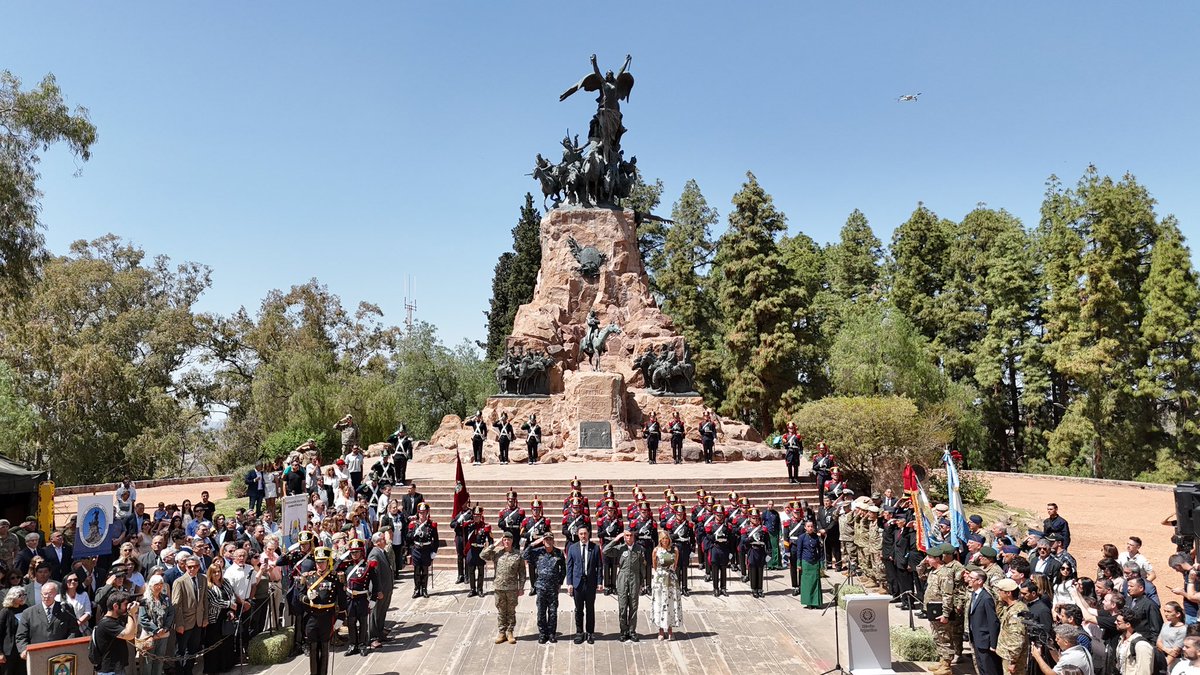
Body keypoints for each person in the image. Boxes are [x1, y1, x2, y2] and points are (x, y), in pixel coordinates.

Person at [301, 547, 344, 675]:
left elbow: (341, 599)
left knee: (325, 648)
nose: (320, 565)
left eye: (323, 562)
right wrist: (307, 598)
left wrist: (341, 618)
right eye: (318, 562)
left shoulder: (335, 578)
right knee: (313, 647)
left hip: (327, 616)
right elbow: (300, 595)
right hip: (312, 617)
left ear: (328, 562)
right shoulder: (309, 577)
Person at [480, 532, 526, 645]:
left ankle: (510, 632)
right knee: (501, 611)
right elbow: (482, 555)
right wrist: (495, 544)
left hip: (512, 588)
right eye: (504, 540)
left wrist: (521, 588)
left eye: (508, 540)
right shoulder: (497, 554)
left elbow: (522, 573)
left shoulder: (518, 555)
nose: (506, 542)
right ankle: (501, 632)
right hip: (499, 587)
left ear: (512, 541)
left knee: (511, 611)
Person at [522, 532, 566, 644]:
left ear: (553, 540)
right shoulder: (538, 552)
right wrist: (532, 544)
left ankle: (551, 634)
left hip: (553, 588)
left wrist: (560, 582)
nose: (548, 541)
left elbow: (563, 569)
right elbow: (524, 555)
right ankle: (542, 634)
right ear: (543, 541)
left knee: (552, 612)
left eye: (550, 539)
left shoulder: (558, 553)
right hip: (541, 587)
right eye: (546, 539)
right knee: (541, 612)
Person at [16, 581, 81, 656]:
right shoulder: (28, 613)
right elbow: (21, 636)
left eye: (50, 594)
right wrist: (24, 650)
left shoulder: (66, 609)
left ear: (56, 594)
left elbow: (74, 630)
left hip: (61, 654)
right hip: (36, 654)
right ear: (41, 594)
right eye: (44, 594)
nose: (46, 597)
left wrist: (66, 647)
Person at [605, 529, 645, 642]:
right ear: (624, 537)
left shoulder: (639, 549)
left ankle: (632, 631)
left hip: (635, 578)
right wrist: (616, 539)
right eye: (626, 536)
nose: (629, 538)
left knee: (633, 606)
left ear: (634, 537)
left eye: (631, 535)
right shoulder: (620, 548)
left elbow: (642, 566)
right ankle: (623, 631)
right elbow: (605, 551)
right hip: (622, 577)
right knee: (622, 607)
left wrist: (642, 582)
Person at [171, 553, 209, 675]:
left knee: (193, 649)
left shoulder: (202, 579)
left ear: (199, 567)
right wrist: (179, 624)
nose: (192, 569)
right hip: (184, 622)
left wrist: (205, 618)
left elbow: (204, 600)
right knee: (180, 650)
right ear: (185, 567)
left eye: (195, 566)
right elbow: (176, 605)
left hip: (198, 621)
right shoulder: (179, 582)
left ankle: (189, 671)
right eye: (190, 567)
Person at [342, 539, 380, 657]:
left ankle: (362, 644)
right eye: (352, 552)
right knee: (351, 622)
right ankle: (353, 644)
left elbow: (376, 583)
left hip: (362, 598)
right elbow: (335, 566)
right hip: (350, 598)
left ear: (362, 552)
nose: (355, 555)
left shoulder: (368, 565)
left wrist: (374, 599)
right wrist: (344, 555)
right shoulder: (347, 565)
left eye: (357, 552)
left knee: (363, 622)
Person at [565, 526, 602, 644]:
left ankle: (590, 633)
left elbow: (599, 566)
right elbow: (569, 566)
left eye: (585, 533)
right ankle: (579, 632)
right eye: (581, 534)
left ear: (589, 534)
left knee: (590, 609)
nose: (583, 536)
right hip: (578, 584)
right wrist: (569, 583)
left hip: (590, 583)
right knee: (578, 609)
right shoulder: (572, 548)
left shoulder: (595, 548)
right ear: (578, 535)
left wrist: (600, 582)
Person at [91, 590, 139, 675]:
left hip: (117, 668)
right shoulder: (107, 623)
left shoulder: (117, 620)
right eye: (125, 604)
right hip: (109, 671)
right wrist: (131, 613)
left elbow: (133, 633)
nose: (127, 607)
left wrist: (133, 614)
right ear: (116, 606)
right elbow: (129, 635)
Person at [203, 561, 237, 674]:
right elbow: (214, 601)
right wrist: (229, 605)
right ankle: (213, 668)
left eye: (219, 572)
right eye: (214, 573)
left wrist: (231, 610)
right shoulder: (208, 586)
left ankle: (226, 665)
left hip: (226, 616)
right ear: (210, 574)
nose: (217, 574)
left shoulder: (225, 582)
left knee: (227, 642)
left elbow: (232, 595)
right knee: (214, 643)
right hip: (214, 618)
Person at [967, 569, 1002, 675]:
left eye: (971, 578)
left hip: (985, 641)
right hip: (976, 638)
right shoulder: (974, 594)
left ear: (979, 581)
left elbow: (993, 622)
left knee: (989, 669)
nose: (969, 579)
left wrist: (993, 643)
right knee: (981, 668)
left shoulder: (986, 598)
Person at [139, 574, 175, 675]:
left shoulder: (165, 599)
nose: (159, 587)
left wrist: (166, 627)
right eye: (156, 584)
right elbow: (143, 618)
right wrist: (155, 630)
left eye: (161, 584)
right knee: (148, 661)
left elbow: (171, 613)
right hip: (149, 635)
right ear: (151, 585)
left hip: (163, 634)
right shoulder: (145, 600)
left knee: (159, 659)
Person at [650, 532, 682, 640]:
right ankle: (660, 630)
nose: (665, 540)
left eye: (667, 538)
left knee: (671, 604)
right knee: (660, 603)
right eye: (663, 538)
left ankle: (670, 629)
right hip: (660, 579)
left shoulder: (675, 550)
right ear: (660, 540)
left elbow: (675, 564)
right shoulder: (656, 550)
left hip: (671, 579)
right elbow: (654, 565)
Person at [407, 504, 439, 598]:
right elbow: (408, 538)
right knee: (417, 571)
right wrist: (414, 533)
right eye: (420, 512)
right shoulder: (413, 524)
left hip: (426, 549)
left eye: (424, 512)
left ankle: (424, 589)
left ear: (427, 512)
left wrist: (434, 552)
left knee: (425, 570)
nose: (422, 514)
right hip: (416, 549)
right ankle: (417, 589)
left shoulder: (431, 524)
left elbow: (436, 540)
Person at [793, 520, 826, 608]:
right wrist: (799, 564)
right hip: (806, 562)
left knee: (815, 582)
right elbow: (799, 551)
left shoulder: (816, 537)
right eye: (808, 526)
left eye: (811, 526)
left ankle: (815, 602)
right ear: (805, 527)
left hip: (815, 562)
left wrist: (821, 562)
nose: (810, 528)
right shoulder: (802, 537)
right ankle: (808, 603)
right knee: (807, 584)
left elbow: (820, 551)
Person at [1116, 607, 1156, 675]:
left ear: (1128, 624)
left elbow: (1144, 672)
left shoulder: (1141, 645)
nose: (1115, 622)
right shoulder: (1121, 639)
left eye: (1118, 621)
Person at [740, 508, 769, 598]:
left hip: (761, 551)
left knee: (760, 570)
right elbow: (743, 541)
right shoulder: (746, 529)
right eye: (753, 518)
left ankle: (760, 588)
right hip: (752, 550)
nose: (755, 520)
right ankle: (754, 589)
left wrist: (769, 553)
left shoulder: (763, 529)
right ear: (749, 518)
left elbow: (768, 542)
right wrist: (751, 538)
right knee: (752, 570)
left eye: (757, 518)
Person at [0, 587, 23, 675]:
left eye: (24, 595)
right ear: (12, 597)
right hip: (8, 652)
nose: (22, 597)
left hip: (22, 649)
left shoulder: (25, 608)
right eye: (19, 595)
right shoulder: (5, 612)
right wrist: (0, 653)